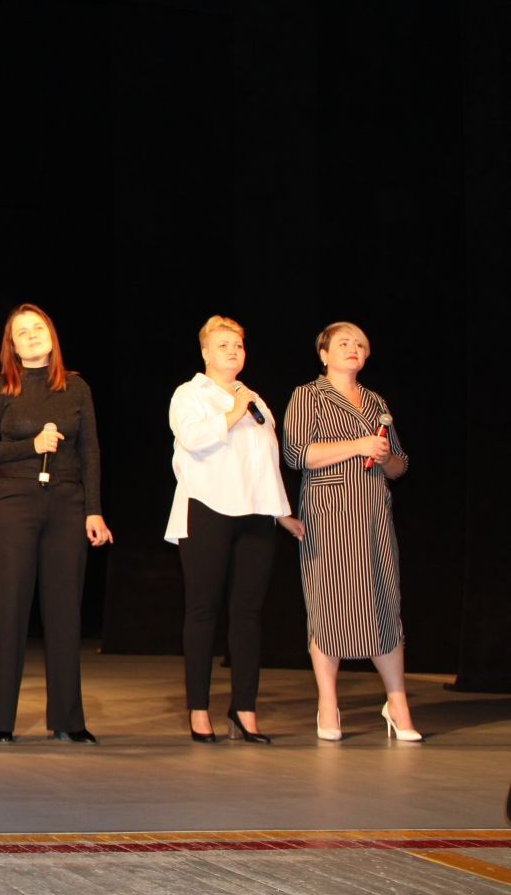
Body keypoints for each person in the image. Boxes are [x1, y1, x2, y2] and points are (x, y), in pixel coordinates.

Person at [0, 303, 113, 744]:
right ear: (11, 346)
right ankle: (1, 720)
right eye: (21, 332)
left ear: (52, 335)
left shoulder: (76, 387)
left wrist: (94, 509)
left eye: (37, 327)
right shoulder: (1, 387)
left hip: (67, 504)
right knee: (8, 608)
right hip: (14, 501)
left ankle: (68, 719)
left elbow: (90, 451)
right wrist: (30, 445)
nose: (31, 335)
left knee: (65, 609)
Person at [166, 316, 305, 744]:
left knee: (248, 614)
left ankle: (244, 710)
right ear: (205, 352)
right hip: (206, 509)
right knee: (203, 611)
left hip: (256, 514)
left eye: (238, 346)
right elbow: (194, 440)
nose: (232, 352)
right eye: (223, 345)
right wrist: (232, 412)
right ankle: (198, 709)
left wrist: (282, 513)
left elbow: (265, 462)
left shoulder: (255, 399)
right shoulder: (189, 394)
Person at [283, 322, 417, 742]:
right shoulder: (309, 395)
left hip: (373, 514)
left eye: (360, 344)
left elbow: (399, 465)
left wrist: (385, 456)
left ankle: (397, 702)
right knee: (329, 602)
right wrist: (358, 445)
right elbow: (296, 453)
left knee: (383, 599)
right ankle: (328, 703)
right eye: (343, 342)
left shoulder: (376, 401)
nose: (353, 348)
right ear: (323, 354)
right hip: (329, 514)